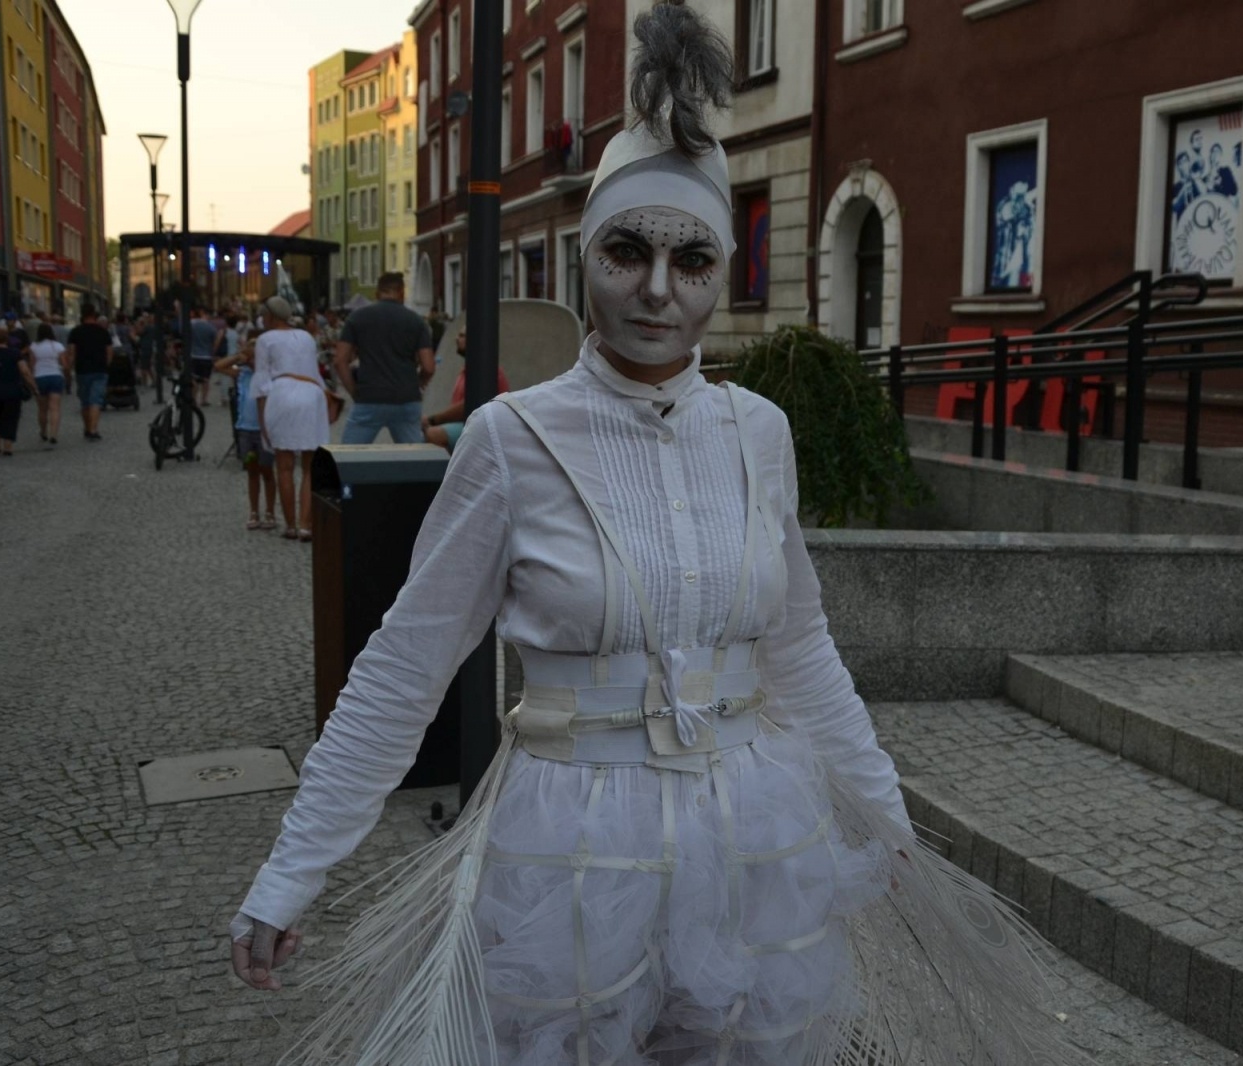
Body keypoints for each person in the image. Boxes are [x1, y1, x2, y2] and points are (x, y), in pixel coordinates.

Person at [228, 7, 1078, 1064]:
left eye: (695, 261)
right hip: (568, 851)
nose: (659, 293)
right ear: (588, 255)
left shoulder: (757, 432)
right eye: (626, 252)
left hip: (753, 839)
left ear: (722, 266)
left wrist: (879, 812)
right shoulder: (511, 438)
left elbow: (799, 646)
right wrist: (290, 871)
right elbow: (406, 665)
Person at [252, 296, 328, 541]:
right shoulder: (306, 337)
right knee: (309, 467)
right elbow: (315, 371)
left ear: (271, 316)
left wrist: (263, 420)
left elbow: (262, 382)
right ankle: (307, 524)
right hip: (312, 396)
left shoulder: (264, 340)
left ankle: (291, 525)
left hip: (281, 395)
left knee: (284, 466)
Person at [334, 273, 434, 444]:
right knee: (414, 458)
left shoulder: (357, 318)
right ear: (402, 293)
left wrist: (355, 392)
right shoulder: (416, 321)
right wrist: (418, 384)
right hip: (406, 398)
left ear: (377, 293)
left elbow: (340, 361)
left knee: (349, 458)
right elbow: (428, 366)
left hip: (369, 396)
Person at [216, 332, 278, 532]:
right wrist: (238, 356)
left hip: (265, 431)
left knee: (267, 472)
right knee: (252, 471)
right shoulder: (241, 374)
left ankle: (270, 511)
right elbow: (218, 366)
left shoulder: (268, 374)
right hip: (245, 430)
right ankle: (253, 511)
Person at [419, 327, 510, 452]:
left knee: (433, 435)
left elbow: (466, 407)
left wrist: (433, 420)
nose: (457, 339)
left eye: (462, 336)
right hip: (468, 425)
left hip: (483, 428)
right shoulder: (467, 371)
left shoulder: (484, 370)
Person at [0, 325, 36, 457]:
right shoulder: (15, 353)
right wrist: (33, 386)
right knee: (11, 418)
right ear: (7, 338)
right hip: (12, 390)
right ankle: (8, 447)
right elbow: (25, 372)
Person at [64, 304, 113, 442]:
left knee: (85, 401)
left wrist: (69, 368)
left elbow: (72, 353)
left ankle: (87, 428)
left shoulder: (75, 332)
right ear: (95, 315)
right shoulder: (103, 332)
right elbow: (109, 352)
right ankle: (93, 430)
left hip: (82, 370)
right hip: (100, 370)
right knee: (96, 400)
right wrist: (106, 366)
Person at [27, 323, 67, 445]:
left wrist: (31, 380)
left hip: (40, 377)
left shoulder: (34, 346)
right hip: (55, 376)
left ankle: (43, 431)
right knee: (55, 408)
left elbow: (31, 364)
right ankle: (53, 434)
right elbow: (64, 364)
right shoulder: (58, 346)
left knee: (42, 409)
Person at [188, 306, 224, 407]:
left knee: (194, 379)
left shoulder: (192, 325)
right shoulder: (211, 328)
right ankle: (204, 400)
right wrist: (213, 353)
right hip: (206, 356)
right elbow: (215, 342)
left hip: (194, 355)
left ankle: (193, 398)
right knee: (205, 380)